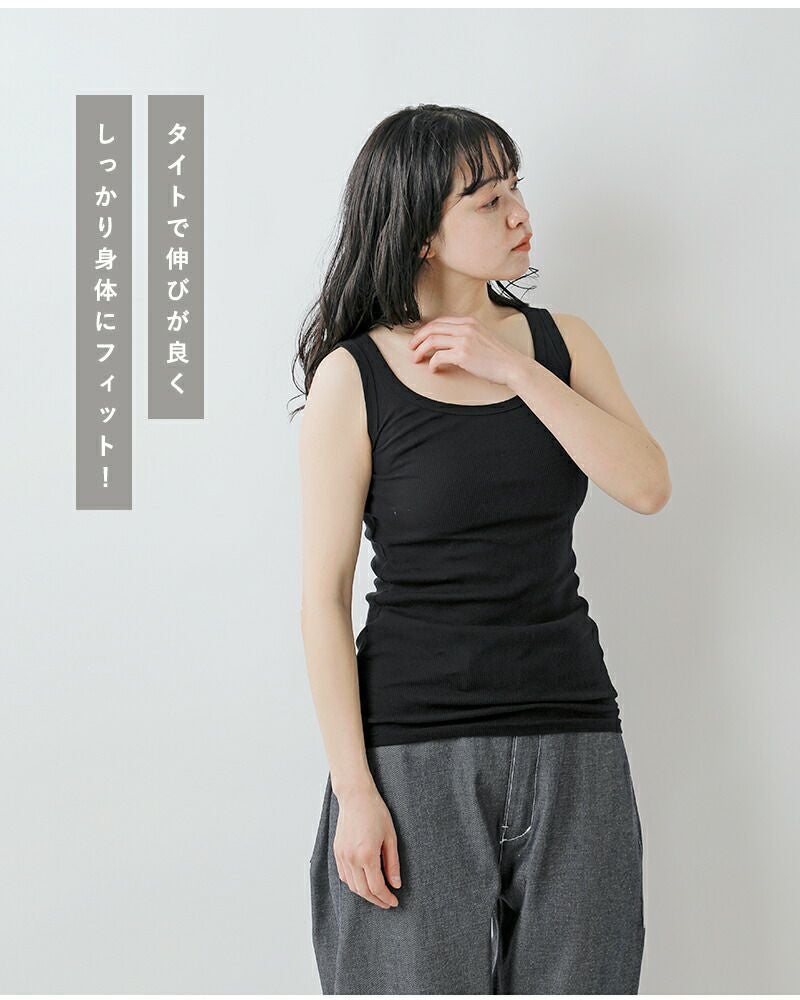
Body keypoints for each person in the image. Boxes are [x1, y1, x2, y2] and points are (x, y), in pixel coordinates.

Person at [293, 103, 670, 995]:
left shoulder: (561, 346)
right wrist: (355, 791)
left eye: (516, 188)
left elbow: (647, 485)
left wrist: (514, 368)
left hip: (573, 735)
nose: (518, 214)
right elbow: (323, 598)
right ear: (422, 232)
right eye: (488, 198)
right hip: (413, 754)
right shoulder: (355, 375)